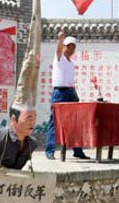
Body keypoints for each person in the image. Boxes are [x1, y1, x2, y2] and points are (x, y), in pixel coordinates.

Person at [45, 32, 90, 160]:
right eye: (68, 46)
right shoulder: (59, 58)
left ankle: (77, 151)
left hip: (70, 92)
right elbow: (58, 50)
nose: (70, 49)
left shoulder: (71, 63)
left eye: (72, 47)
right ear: (64, 47)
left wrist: (75, 94)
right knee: (54, 122)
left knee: (75, 123)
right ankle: (50, 151)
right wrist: (60, 39)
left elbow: (70, 80)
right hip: (59, 93)